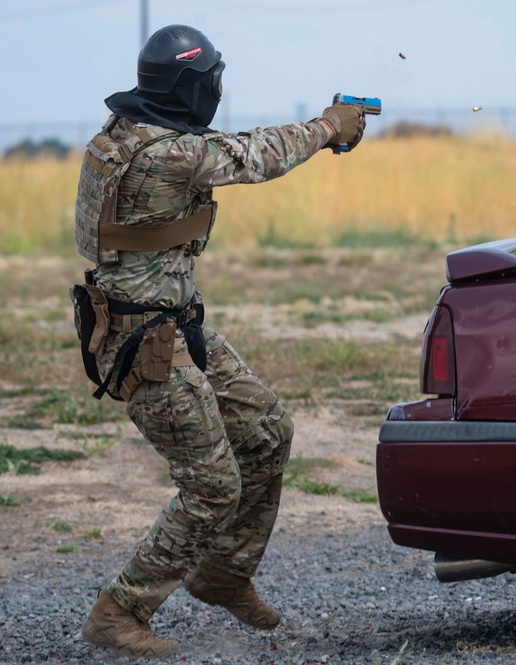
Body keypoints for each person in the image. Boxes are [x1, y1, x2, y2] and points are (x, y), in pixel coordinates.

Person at [73, 24, 366, 660]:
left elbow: (223, 145)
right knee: (212, 486)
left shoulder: (127, 135)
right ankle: (120, 610)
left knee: (267, 430)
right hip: (141, 342)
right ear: (188, 88)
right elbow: (252, 156)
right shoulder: (164, 155)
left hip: (173, 326)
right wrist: (327, 127)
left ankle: (224, 574)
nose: (217, 91)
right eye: (210, 81)